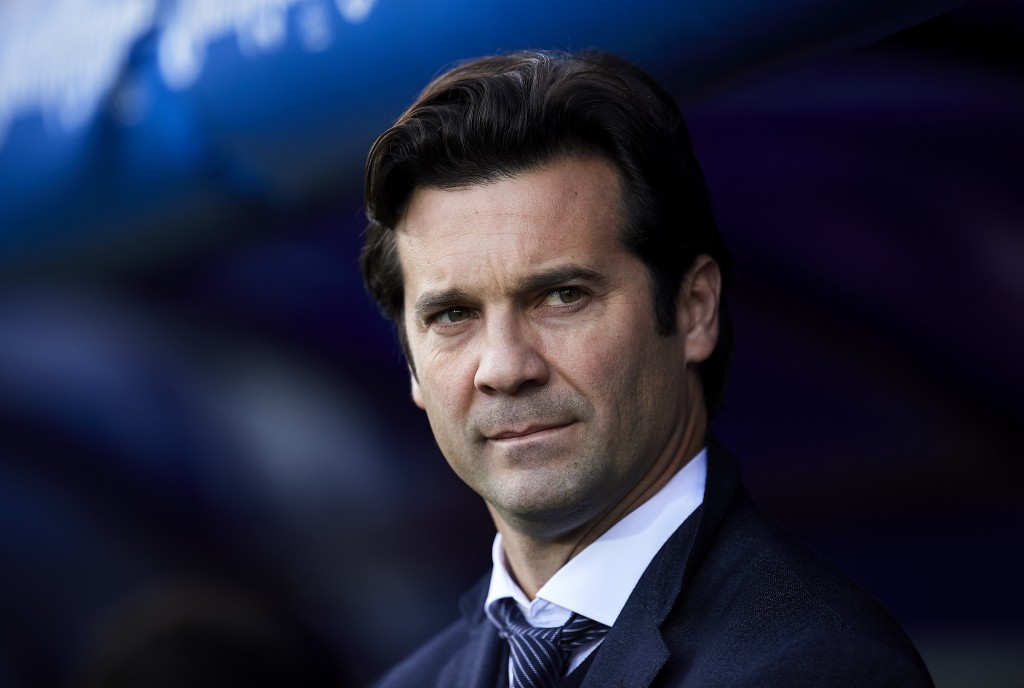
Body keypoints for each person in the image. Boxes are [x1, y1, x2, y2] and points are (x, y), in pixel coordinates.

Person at [360, 49, 933, 687]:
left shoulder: (818, 668)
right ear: (410, 363)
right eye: (453, 314)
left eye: (563, 296)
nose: (504, 367)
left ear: (694, 310)